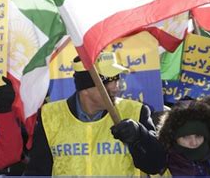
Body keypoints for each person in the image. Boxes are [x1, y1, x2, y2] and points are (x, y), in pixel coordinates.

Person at [25, 54, 166, 176]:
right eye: (109, 81)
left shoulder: (136, 112)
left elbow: (156, 166)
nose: (116, 87)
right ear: (85, 88)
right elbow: (37, 171)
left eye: (117, 79)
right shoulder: (49, 116)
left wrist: (140, 136)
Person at [157, 100, 210, 176]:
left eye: (198, 136)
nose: (193, 143)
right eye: (186, 137)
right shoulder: (162, 166)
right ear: (173, 138)